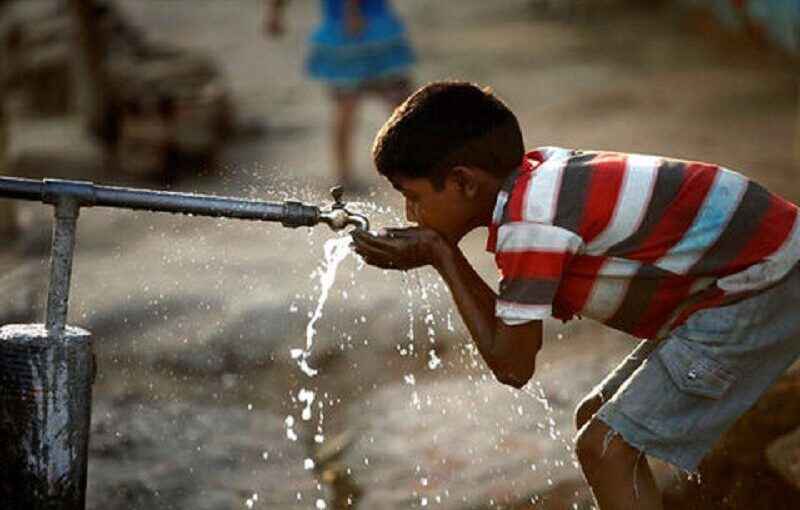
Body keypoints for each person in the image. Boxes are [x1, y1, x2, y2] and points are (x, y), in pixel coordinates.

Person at [351, 80, 800, 510]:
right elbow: (511, 340)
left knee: (606, 450)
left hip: (765, 282)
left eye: (413, 197)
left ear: (465, 182)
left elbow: (513, 364)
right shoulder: (536, 181)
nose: (410, 213)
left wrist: (441, 255)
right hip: (753, 271)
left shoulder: (532, 222)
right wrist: (442, 251)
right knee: (595, 420)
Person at [265, 0, 415, 190]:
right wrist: (352, 13)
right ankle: (411, 165)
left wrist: (274, 14)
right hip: (366, 29)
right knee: (399, 105)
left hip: (346, 29)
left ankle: (345, 172)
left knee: (352, 106)